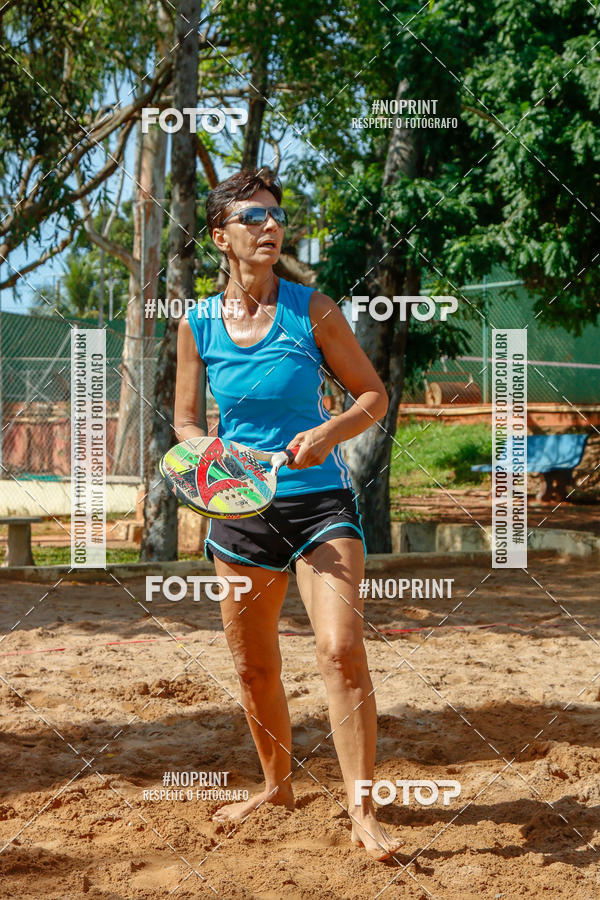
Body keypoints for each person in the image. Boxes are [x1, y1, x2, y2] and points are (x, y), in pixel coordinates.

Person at [173, 167, 403, 860]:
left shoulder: (315, 310)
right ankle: (277, 787)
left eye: (274, 216)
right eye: (251, 218)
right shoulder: (198, 323)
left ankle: (362, 811)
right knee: (252, 669)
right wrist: (217, 455)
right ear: (221, 238)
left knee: (339, 649)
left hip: (320, 506)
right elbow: (185, 423)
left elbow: (372, 396)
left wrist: (327, 434)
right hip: (240, 511)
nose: (269, 226)